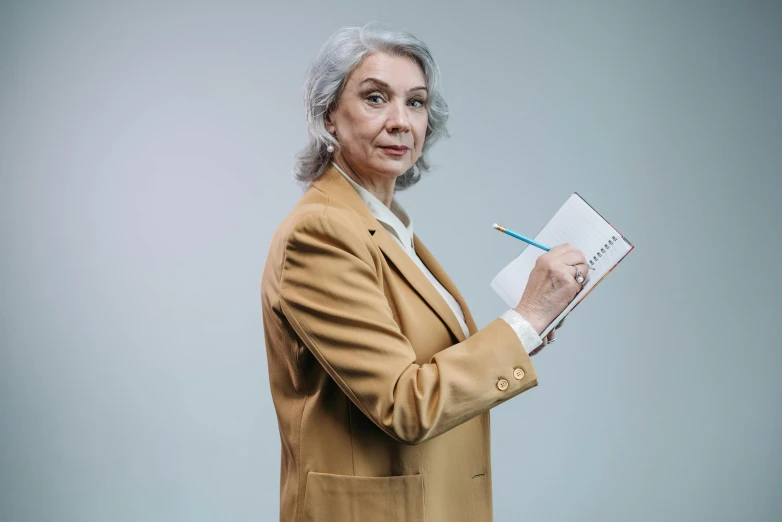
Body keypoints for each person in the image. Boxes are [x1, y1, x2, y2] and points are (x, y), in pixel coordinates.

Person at [261, 23, 589, 522]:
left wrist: (535, 320)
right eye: (375, 98)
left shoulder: (384, 226)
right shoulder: (322, 232)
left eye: (415, 102)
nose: (401, 121)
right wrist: (527, 315)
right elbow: (405, 402)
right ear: (328, 115)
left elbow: (437, 365)